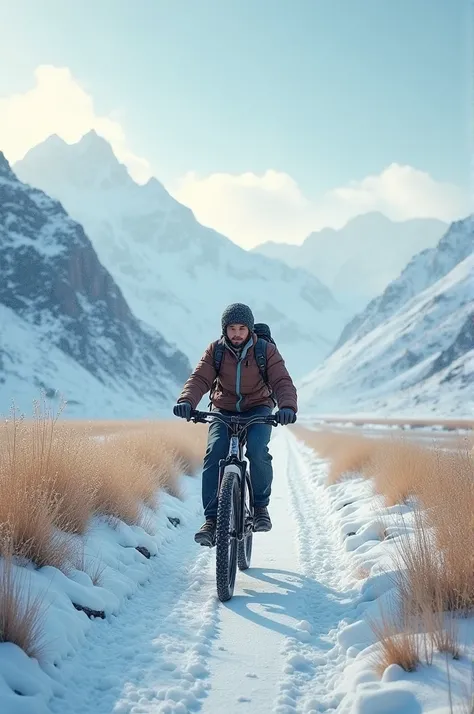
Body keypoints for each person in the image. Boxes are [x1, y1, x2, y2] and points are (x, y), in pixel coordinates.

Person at [173, 303, 298, 546]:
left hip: (259, 407)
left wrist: (287, 408)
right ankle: (211, 521)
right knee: (214, 454)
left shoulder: (265, 351)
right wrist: (187, 401)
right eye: (232, 328)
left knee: (257, 450)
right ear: (224, 329)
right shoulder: (216, 351)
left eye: (242, 328)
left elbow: (282, 380)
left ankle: (260, 507)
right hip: (224, 409)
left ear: (250, 329)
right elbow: (199, 378)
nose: (237, 333)